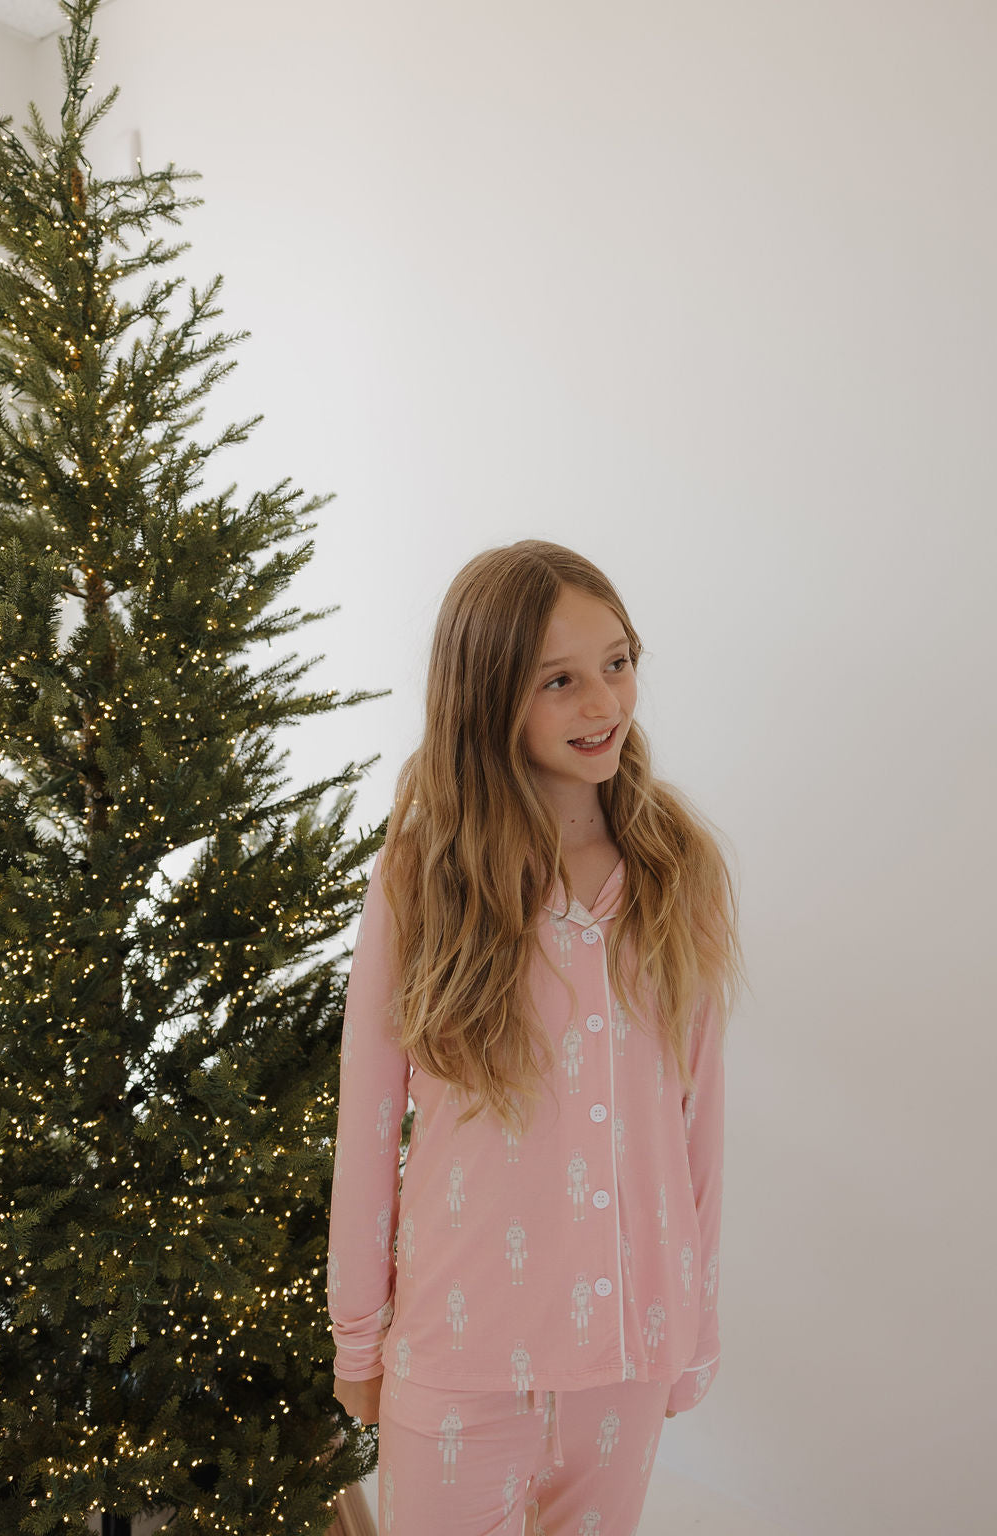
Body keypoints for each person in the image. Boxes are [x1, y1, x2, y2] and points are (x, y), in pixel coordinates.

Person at [327, 540, 743, 1535]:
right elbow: (369, 1123)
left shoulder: (676, 869)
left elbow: (696, 1125)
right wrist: (357, 1338)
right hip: (460, 1350)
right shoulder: (423, 879)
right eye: (559, 681)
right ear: (488, 696)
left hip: (629, 1353)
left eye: (617, 662)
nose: (603, 702)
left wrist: (691, 1330)